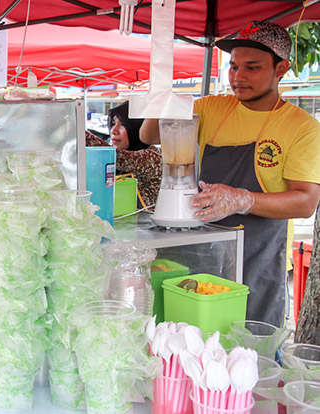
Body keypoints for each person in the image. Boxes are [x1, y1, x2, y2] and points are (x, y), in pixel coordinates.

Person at [140, 20, 320, 327]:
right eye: (234, 67)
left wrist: (241, 199)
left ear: (281, 69)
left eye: (252, 67)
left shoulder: (302, 127)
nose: (238, 78)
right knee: (192, 338)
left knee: (249, 348)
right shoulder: (211, 108)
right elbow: (148, 135)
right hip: (199, 250)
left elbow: (305, 202)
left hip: (257, 260)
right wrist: (162, 96)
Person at [108, 102, 162, 207]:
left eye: (122, 124)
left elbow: (115, 156)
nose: (114, 131)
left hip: (145, 222)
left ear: (136, 127)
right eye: (113, 123)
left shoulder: (151, 158)